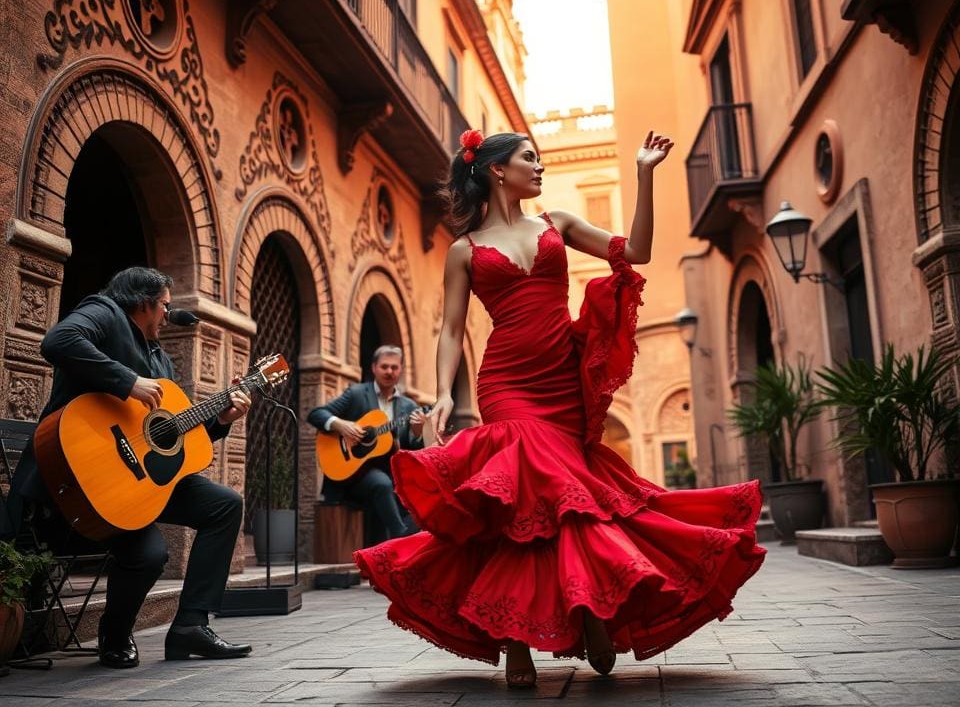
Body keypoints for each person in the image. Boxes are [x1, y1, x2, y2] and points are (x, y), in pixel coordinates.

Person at [354, 129, 766, 688]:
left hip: (562, 383)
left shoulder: (558, 224)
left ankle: (589, 611)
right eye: (530, 159)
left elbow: (635, 252)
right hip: (507, 382)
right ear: (498, 170)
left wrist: (644, 174)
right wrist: (445, 391)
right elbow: (451, 329)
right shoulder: (464, 250)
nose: (540, 167)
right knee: (521, 499)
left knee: (565, 510)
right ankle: (518, 639)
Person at [10, 267, 253, 668]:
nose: (167, 316)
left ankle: (190, 626)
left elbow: (172, 436)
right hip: (70, 481)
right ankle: (116, 634)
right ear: (143, 302)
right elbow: (58, 340)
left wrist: (221, 418)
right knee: (151, 554)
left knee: (224, 505)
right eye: (165, 307)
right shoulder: (103, 312)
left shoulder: (160, 359)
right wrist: (126, 382)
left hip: (128, 485)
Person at [308, 345, 425, 541]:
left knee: (407, 486)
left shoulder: (409, 407)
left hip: (391, 474)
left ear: (401, 370)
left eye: (394, 367)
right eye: (384, 366)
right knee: (381, 483)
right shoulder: (356, 394)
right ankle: (402, 536)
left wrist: (417, 433)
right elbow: (316, 414)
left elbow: (412, 452)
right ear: (374, 368)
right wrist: (341, 425)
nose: (389, 372)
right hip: (351, 475)